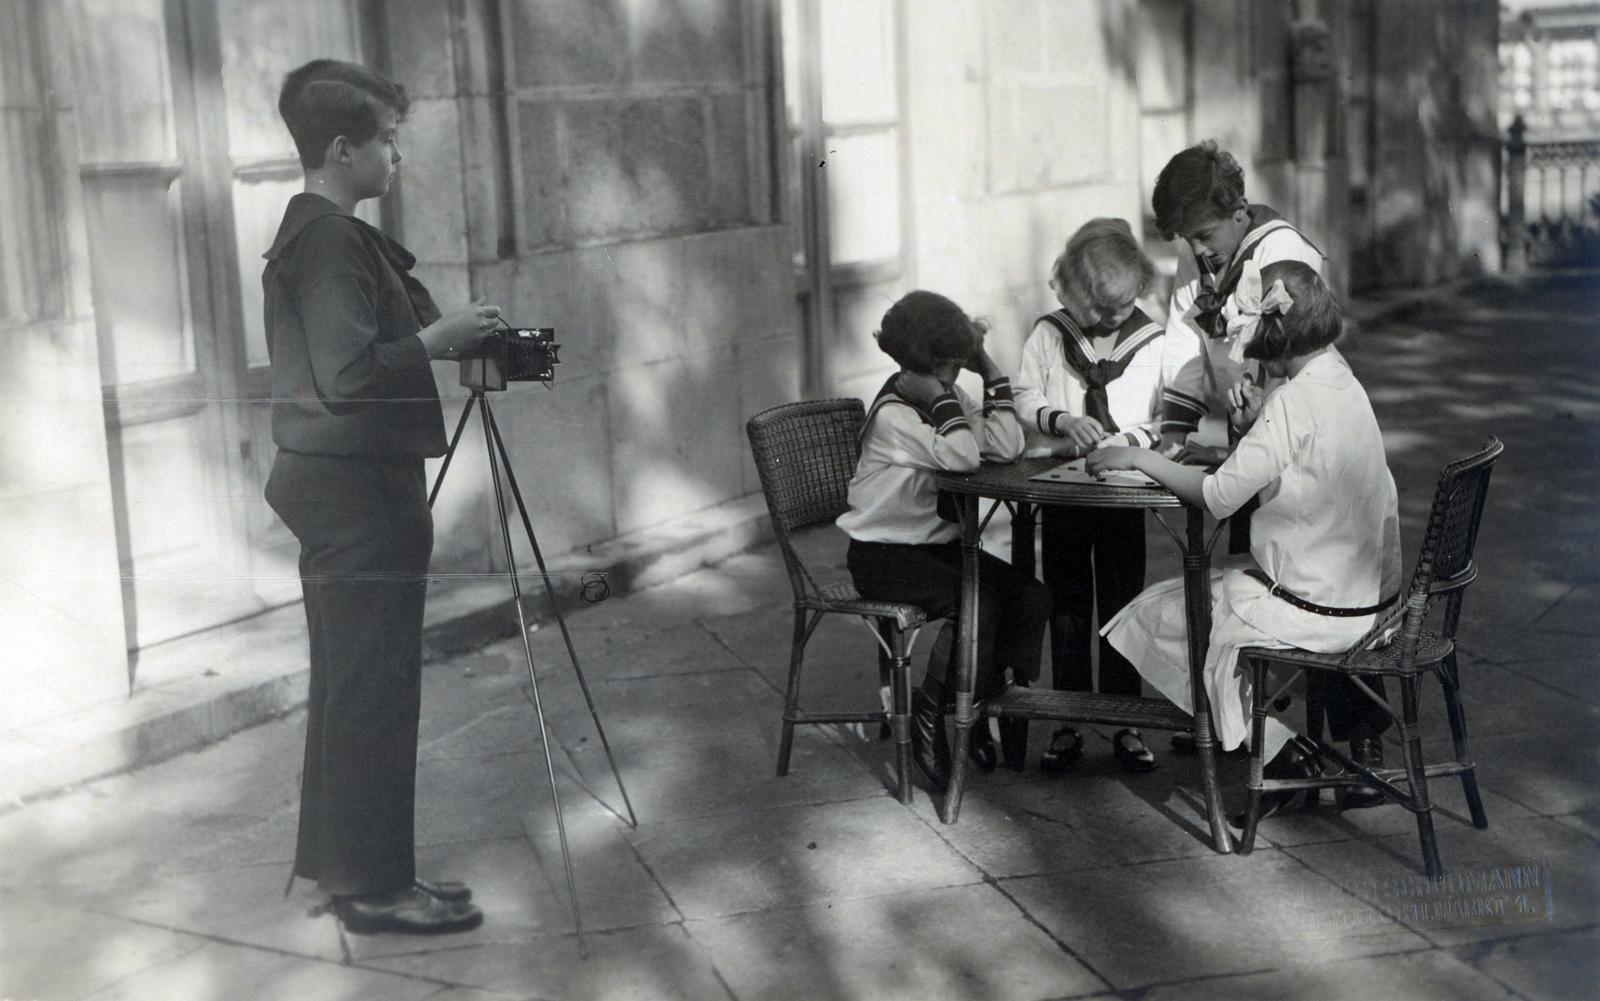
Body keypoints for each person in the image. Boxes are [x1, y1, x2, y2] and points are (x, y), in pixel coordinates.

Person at [262, 59, 499, 934]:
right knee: (375, 691)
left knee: (351, 685)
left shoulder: (320, 234)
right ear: (340, 150)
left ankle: (353, 868)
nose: (395, 157)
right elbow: (350, 373)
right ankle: (377, 891)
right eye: (386, 141)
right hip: (358, 496)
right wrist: (441, 337)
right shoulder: (328, 239)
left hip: (338, 489)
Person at [1088, 261, 1401, 822]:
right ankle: (1283, 753)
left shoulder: (1291, 403)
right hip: (1368, 599)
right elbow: (1293, 456)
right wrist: (1251, 434)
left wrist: (1140, 458)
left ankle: (1283, 755)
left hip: (1321, 607)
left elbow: (1215, 498)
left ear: (1272, 335)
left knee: (1157, 616)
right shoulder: (1338, 378)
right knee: (1208, 596)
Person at [1149, 141, 1388, 798]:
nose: (1197, 250)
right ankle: (1243, 715)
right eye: (1186, 240)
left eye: (1202, 234)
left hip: (1300, 447)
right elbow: (1192, 353)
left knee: (1303, 575)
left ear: (1236, 211)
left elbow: (1292, 339)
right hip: (1260, 441)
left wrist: (1252, 399)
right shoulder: (1213, 267)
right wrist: (1171, 429)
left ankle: (1351, 737)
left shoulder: (1281, 258)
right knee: (1265, 570)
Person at [838, 290, 1051, 793]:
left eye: (958, 367)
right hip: (883, 556)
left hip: (933, 549)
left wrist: (990, 370)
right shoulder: (895, 415)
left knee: (1028, 594)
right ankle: (933, 719)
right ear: (911, 367)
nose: (951, 379)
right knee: (975, 604)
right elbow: (962, 457)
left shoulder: (946, 396)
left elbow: (1005, 444)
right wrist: (941, 398)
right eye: (941, 369)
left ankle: (975, 709)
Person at [1013, 219, 1164, 774]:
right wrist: (1061, 420)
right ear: (1076, 296)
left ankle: (1125, 717)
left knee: (1124, 600)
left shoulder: (1152, 340)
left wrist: (1129, 442)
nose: (1108, 321)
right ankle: (1070, 716)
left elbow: (1163, 416)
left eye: (1120, 309)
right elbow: (1023, 393)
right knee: (1068, 602)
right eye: (1098, 309)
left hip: (1122, 491)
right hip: (1065, 489)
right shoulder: (1050, 335)